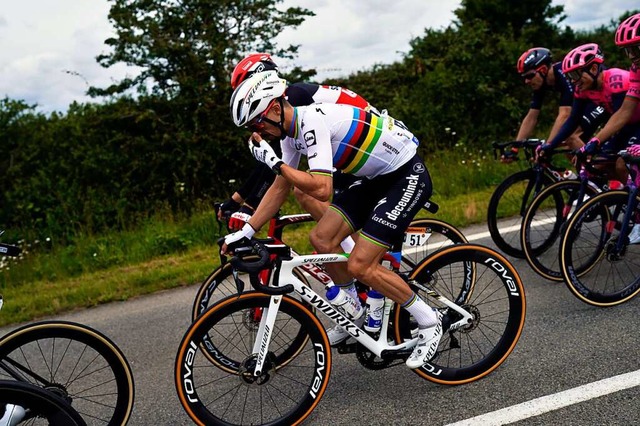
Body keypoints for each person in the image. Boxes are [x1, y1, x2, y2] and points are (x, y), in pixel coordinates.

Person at [223, 71, 442, 369]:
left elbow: (322, 189)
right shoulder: (290, 133)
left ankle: (430, 322)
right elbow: (281, 186)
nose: (258, 131)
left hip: (405, 175)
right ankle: (354, 311)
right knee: (321, 238)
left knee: (360, 265)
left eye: (257, 122)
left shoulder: (311, 122)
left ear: (275, 108)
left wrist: (274, 163)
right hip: (376, 178)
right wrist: (247, 231)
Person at [220, 53, 376, 241]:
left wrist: (249, 205)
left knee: (307, 192)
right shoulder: (283, 103)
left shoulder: (293, 100)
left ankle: (351, 252)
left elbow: (276, 164)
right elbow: (272, 167)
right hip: (348, 149)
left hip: (368, 148)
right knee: (322, 248)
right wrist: (237, 201)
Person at [537, 43, 640, 187]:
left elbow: (622, 117)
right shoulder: (582, 89)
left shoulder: (616, 81)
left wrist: (595, 142)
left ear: (592, 69)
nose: (573, 81)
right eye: (570, 76)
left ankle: (634, 201)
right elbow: (573, 120)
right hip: (625, 126)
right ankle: (623, 197)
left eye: (575, 75)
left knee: (622, 164)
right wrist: (550, 145)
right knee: (597, 166)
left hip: (634, 125)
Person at [506, 47, 607, 162]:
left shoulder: (562, 73)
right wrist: (515, 148)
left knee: (571, 136)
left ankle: (598, 169)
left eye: (529, 76)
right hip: (586, 102)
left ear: (543, 70)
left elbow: (564, 114)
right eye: (524, 77)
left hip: (600, 100)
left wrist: (547, 146)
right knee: (567, 148)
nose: (526, 81)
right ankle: (585, 178)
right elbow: (531, 117)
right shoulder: (540, 83)